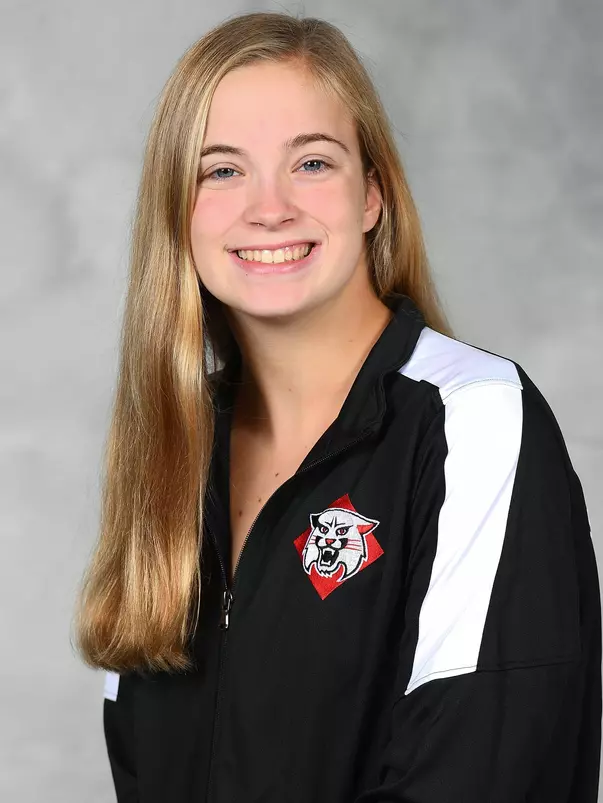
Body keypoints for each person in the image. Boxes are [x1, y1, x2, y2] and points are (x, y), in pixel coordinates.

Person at [74, 11, 602, 803]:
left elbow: (484, 772)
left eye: (311, 163)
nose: (269, 208)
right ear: (176, 216)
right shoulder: (172, 457)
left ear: (371, 196)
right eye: (221, 171)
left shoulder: (473, 422)